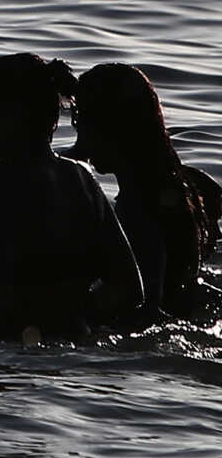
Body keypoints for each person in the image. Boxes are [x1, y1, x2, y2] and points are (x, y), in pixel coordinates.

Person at [0, 55, 143, 335]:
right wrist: (73, 316)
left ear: (6, 119)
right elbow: (131, 289)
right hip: (76, 339)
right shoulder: (82, 178)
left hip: (8, 348)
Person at [69, 62, 217, 315]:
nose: (78, 135)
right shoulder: (191, 184)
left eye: (80, 122)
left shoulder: (136, 205)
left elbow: (143, 299)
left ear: (111, 129)